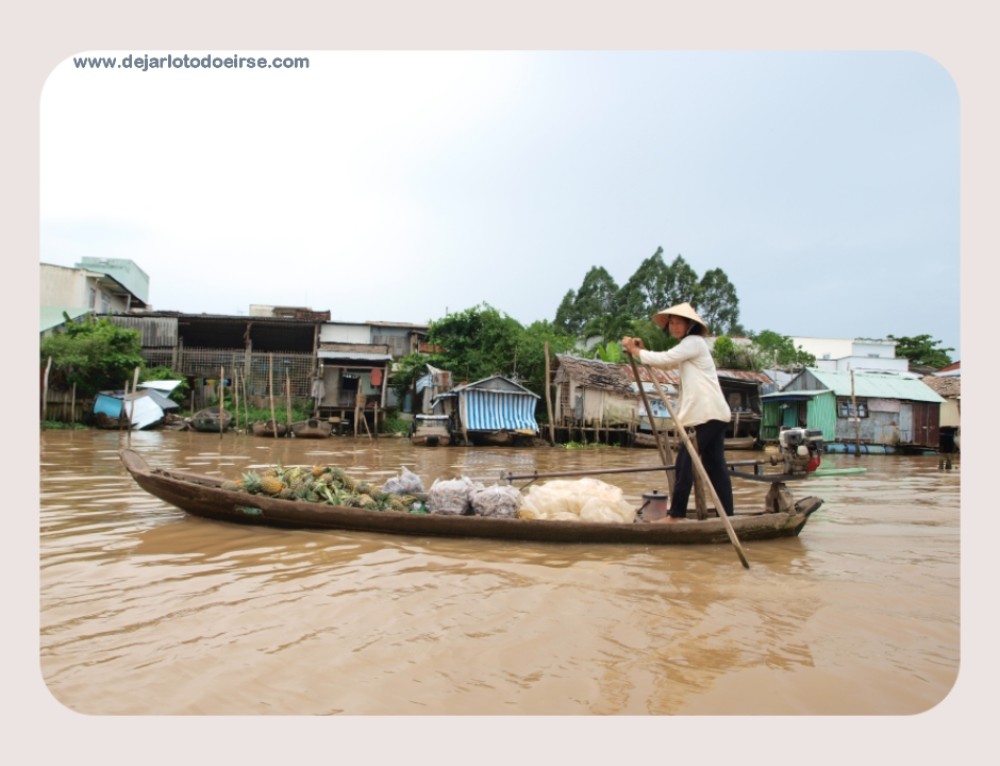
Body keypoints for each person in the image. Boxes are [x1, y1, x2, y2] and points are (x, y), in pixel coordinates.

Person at [621, 302, 734, 523]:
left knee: (685, 461)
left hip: (707, 414)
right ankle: (727, 516)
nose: (673, 326)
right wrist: (641, 351)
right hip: (713, 414)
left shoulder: (694, 342)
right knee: (715, 466)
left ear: (689, 324)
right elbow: (665, 364)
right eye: (671, 323)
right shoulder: (689, 346)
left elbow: (666, 359)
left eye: (678, 322)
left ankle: (677, 514)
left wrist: (636, 351)